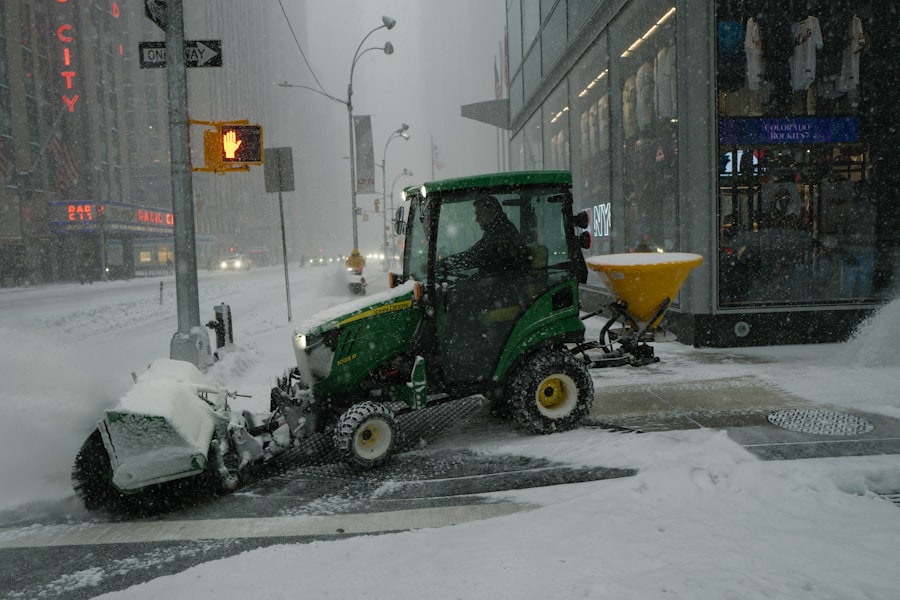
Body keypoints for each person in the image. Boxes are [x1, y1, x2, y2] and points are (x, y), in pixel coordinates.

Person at [443, 195, 529, 274]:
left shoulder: (501, 232)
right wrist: (446, 262)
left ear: (492, 212)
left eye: (479, 214)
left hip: (503, 284)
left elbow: (478, 257)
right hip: (499, 282)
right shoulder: (495, 230)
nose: (477, 219)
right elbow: (473, 252)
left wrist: (447, 264)